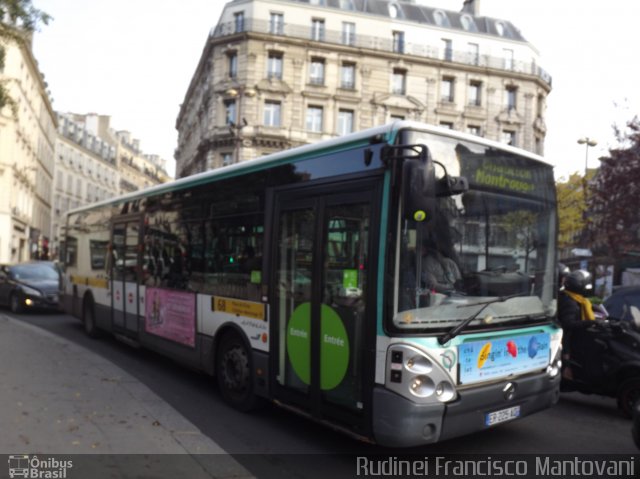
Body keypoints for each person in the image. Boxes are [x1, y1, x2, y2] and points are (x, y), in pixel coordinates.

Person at [558, 269, 595, 380]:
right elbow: (568, 324)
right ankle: (567, 370)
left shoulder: (575, 299)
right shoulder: (570, 301)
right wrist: (589, 323)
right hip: (566, 339)